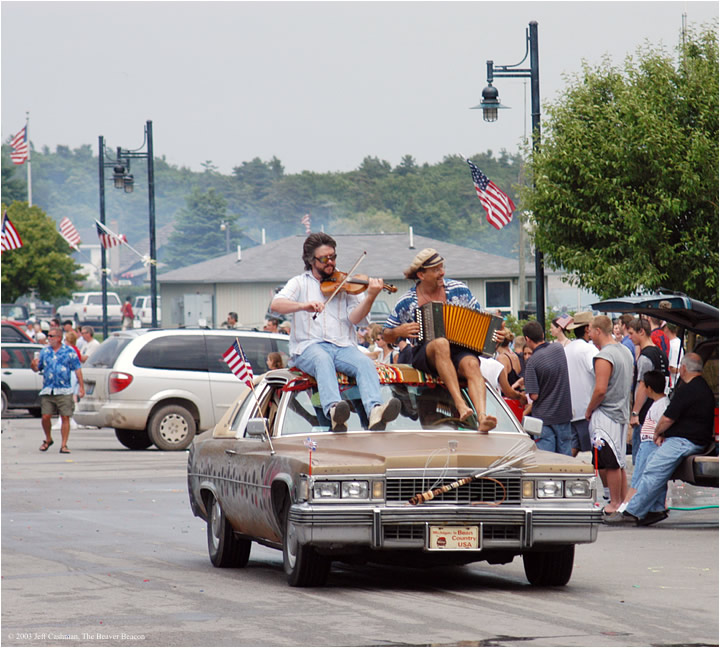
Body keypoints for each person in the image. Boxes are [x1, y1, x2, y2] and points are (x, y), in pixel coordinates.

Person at [270, 232, 400, 431]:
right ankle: (334, 411)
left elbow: (357, 319)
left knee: (365, 363)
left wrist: (370, 297)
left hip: (342, 346)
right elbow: (276, 305)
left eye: (333, 257)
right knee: (323, 360)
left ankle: (375, 410)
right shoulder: (300, 282)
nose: (330, 262)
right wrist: (303, 306)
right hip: (308, 346)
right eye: (324, 259)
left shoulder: (347, 282)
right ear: (310, 260)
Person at [383, 248, 497, 432]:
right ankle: (460, 405)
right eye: (436, 269)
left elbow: (482, 319)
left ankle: (482, 417)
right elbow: (385, 333)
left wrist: (494, 333)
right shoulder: (407, 301)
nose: (442, 272)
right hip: (424, 353)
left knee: (471, 364)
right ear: (421, 274)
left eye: (442, 267)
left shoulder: (458, 289)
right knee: (441, 343)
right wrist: (399, 330)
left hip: (458, 349)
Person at [606, 353, 715, 526]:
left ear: (684, 368)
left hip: (684, 440)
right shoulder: (703, 388)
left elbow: (667, 419)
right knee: (655, 466)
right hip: (694, 439)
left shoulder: (688, 389)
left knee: (653, 470)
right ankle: (655, 509)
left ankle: (632, 512)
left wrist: (657, 433)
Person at [584, 315, 634, 514]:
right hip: (621, 411)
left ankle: (614, 502)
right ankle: (621, 502)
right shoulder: (626, 352)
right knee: (619, 460)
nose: (589, 334)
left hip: (606, 413)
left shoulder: (604, 356)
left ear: (598, 331)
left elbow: (600, 390)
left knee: (610, 461)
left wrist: (589, 409)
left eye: (590, 330)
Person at [618, 370, 669, 512]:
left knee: (639, 477)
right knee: (654, 477)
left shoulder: (660, 405)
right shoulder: (661, 403)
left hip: (649, 444)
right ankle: (657, 507)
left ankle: (626, 507)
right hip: (647, 444)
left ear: (649, 388)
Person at [30, 326, 85, 454]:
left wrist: (81, 386)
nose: (48, 339)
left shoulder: (69, 352)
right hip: (48, 389)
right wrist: (33, 365)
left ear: (59, 338)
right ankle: (48, 439)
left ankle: (64, 444)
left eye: (51, 336)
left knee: (65, 416)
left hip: (64, 389)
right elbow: (38, 368)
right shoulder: (45, 352)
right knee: (45, 416)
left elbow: (77, 368)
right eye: (48, 336)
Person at [522, 320, 573, 454]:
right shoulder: (558, 349)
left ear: (527, 339)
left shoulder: (532, 362)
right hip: (563, 414)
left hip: (544, 418)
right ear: (542, 334)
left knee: (548, 460)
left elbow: (534, 395)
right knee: (566, 461)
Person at [628, 317, 669, 464]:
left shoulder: (645, 357)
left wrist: (635, 413)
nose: (629, 337)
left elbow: (642, 387)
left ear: (641, 332)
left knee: (641, 460)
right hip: (659, 409)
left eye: (632, 333)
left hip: (645, 414)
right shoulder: (661, 354)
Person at [563, 311, 599, 457]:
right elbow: (599, 373)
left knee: (572, 448)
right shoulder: (589, 349)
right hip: (588, 409)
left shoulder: (566, 349)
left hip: (571, 409)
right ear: (587, 329)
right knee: (595, 451)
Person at [664, 322, 684, 391]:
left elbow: (673, 368)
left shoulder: (674, 345)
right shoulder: (676, 343)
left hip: (672, 384)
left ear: (666, 328)